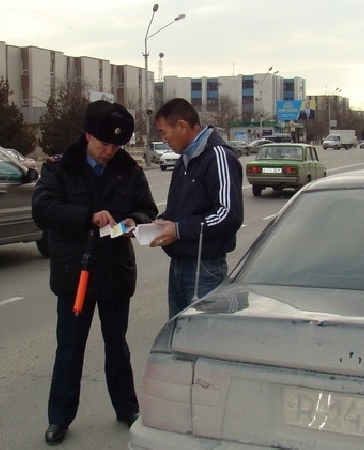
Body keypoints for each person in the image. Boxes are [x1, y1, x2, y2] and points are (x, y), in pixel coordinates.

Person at [32, 100, 158, 445]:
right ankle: (59, 418)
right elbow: (42, 209)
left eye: (116, 145)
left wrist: (136, 221)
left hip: (115, 271)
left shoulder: (128, 169)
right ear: (88, 135)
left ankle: (126, 408)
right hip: (76, 273)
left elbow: (148, 209)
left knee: (117, 346)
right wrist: (88, 215)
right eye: (104, 143)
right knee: (70, 349)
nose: (109, 150)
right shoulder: (60, 168)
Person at [149, 98, 243, 318]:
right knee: (179, 336)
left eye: (164, 133)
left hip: (205, 268)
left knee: (202, 337)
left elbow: (228, 214)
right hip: (179, 263)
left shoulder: (218, 156)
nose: (164, 139)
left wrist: (179, 230)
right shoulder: (184, 161)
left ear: (182, 126)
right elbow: (180, 212)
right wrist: (155, 225)